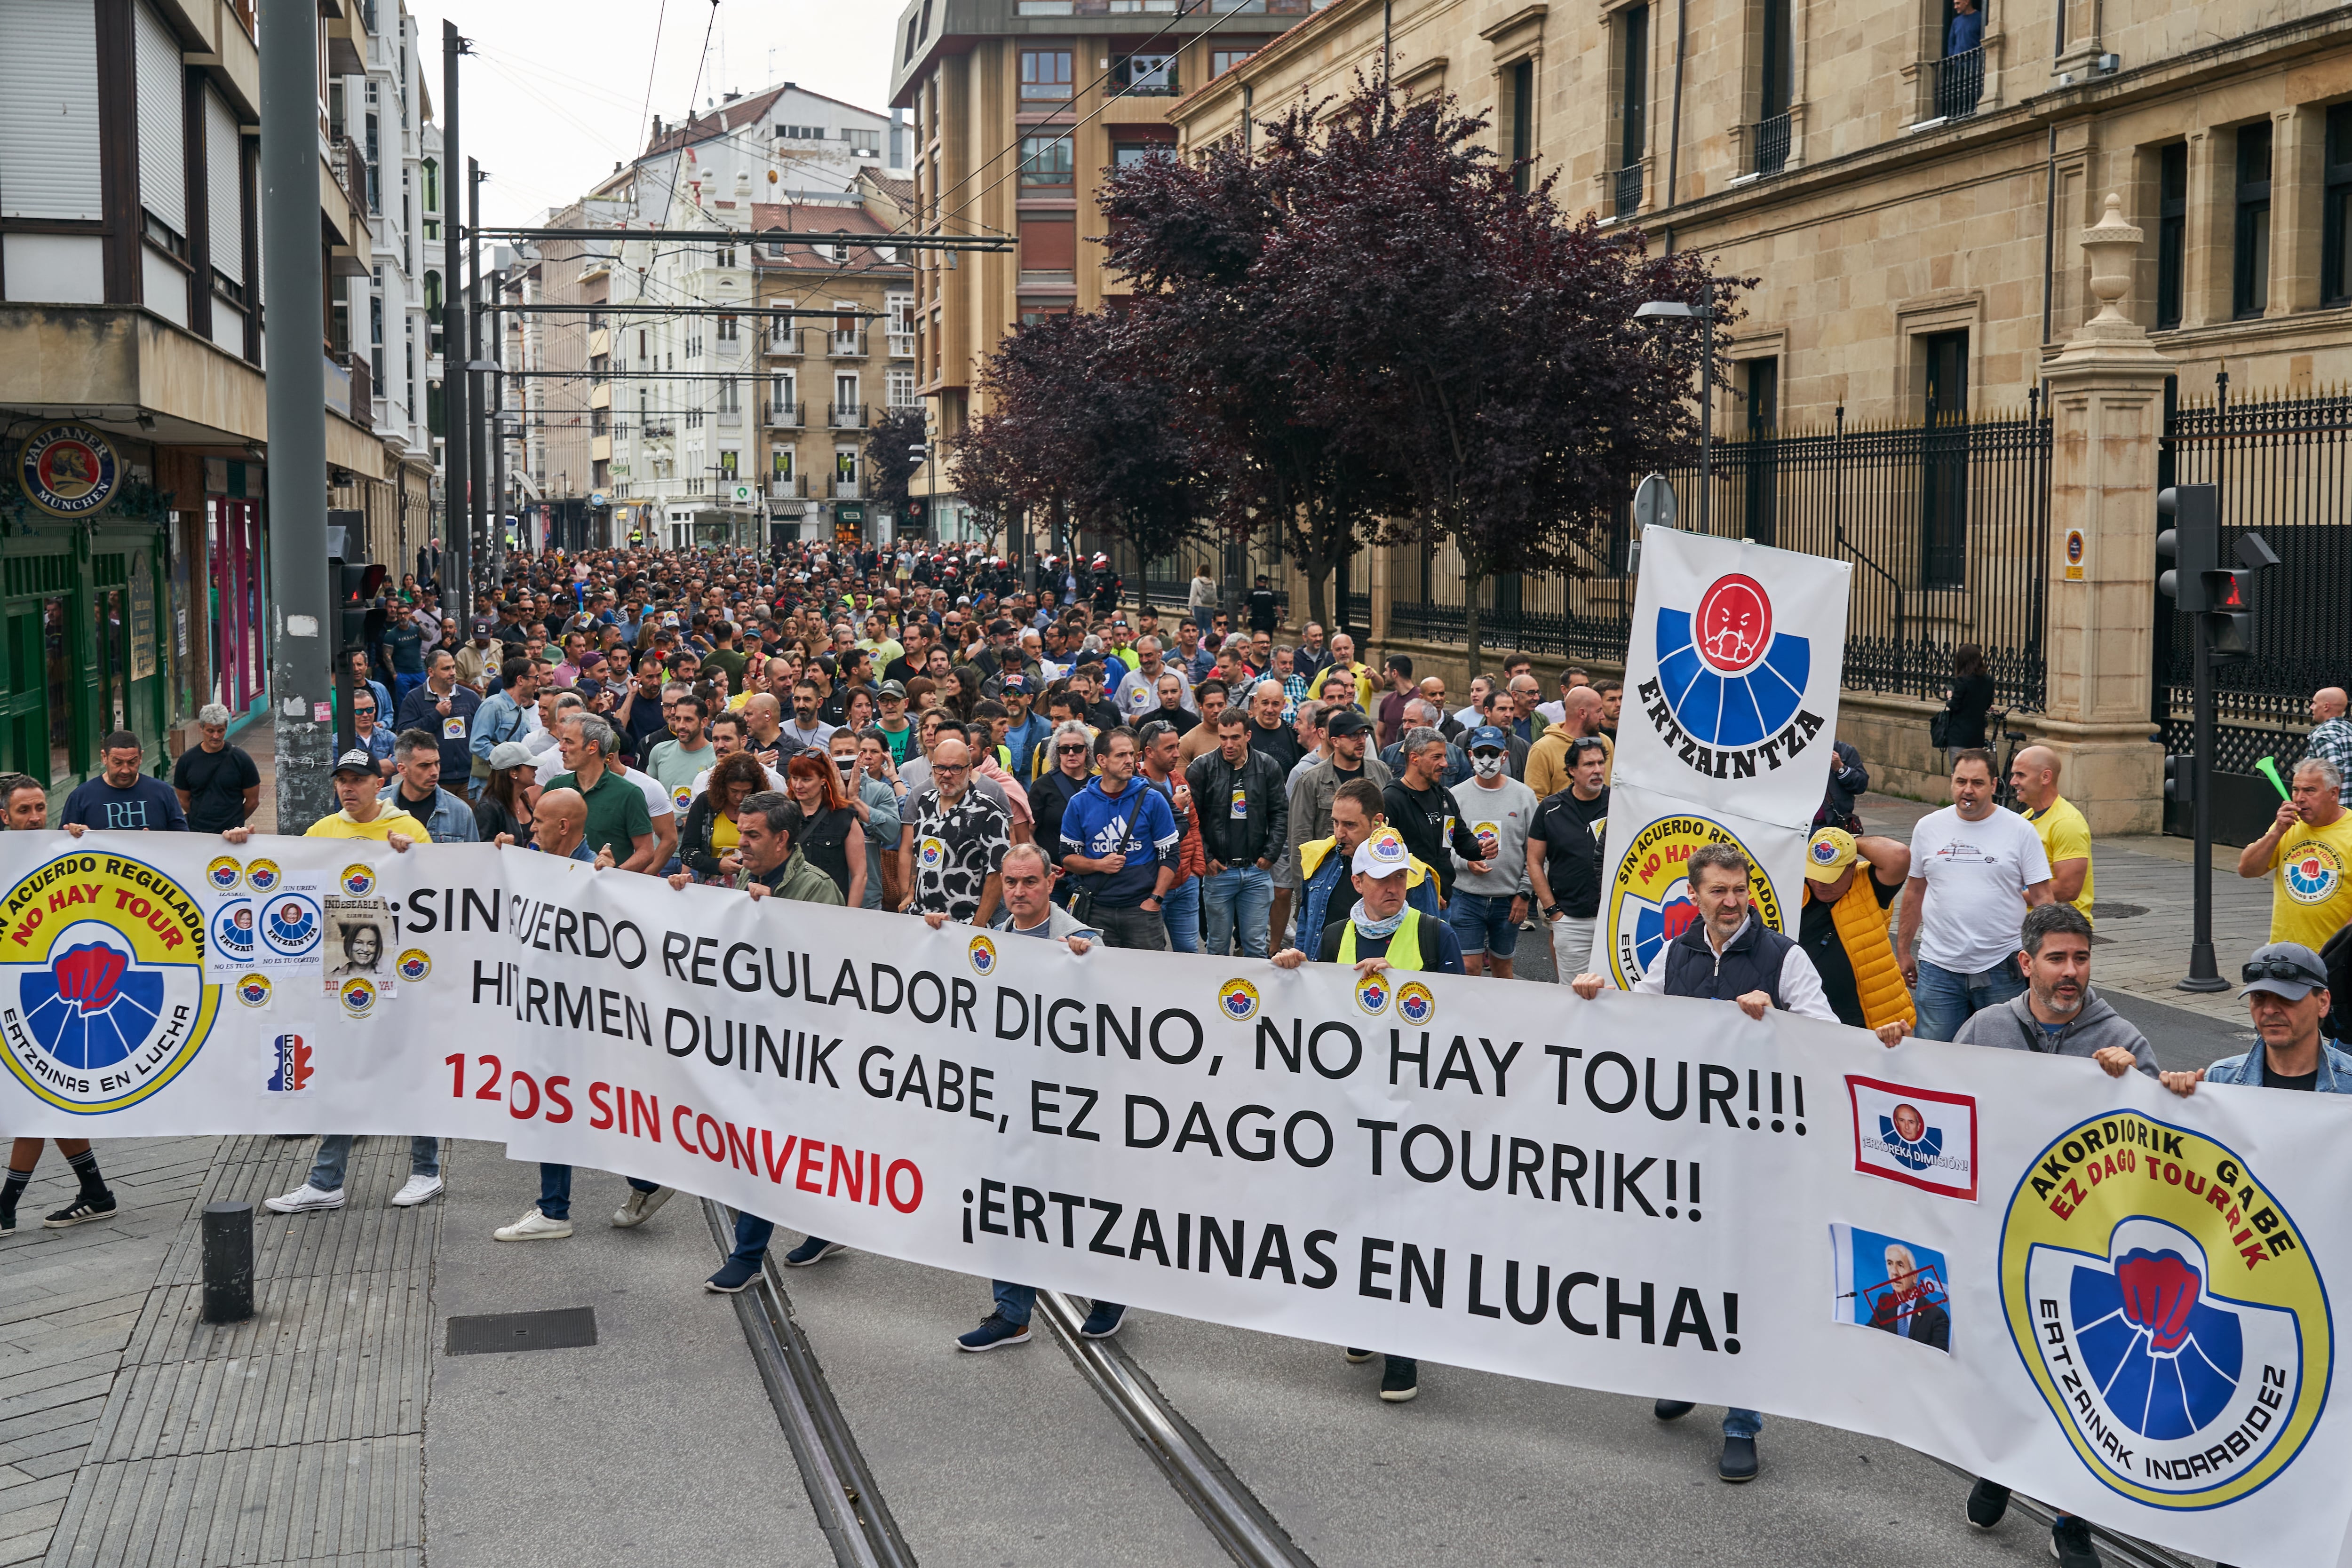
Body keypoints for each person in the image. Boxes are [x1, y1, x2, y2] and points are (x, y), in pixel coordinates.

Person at [1571, 844, 1895, 1483]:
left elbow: (1825, 1035)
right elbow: (1640, 1019)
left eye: (1738, 890)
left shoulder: (1783, 956)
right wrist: (1594, 997)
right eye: (1718, 891)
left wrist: (1774, 1020)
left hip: (1760, 1156)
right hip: (1687, 1148)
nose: (1730, 901)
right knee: (1685, 1269)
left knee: (1747, 1281)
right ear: (1695, 896)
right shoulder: (1678, 952)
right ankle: (1690, 1374)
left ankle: (1742, 1418)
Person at [1950, 902, 2159, 1568]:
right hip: (2003, 1235)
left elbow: (2165, 1148)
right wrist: (1898, 1049)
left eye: (2081, 958)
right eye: (2057, 958)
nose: (2071, 972)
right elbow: (1943, 1105)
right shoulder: (1984, 1027)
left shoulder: (2123, 1035)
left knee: (2082, 1382)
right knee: (2007, 1365)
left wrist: (2146, 1087)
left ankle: (2072, 1514)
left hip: (2086, 1249)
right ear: (2026, 964)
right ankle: (2000, 1465)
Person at [1273, 826, 1466, 1404]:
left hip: (1412, 1109)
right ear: (1356, 881)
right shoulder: (1334, 935)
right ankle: (1362, 1319)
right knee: (1352, 1217)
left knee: (1401, 1227)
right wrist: (1289, 974)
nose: (1393, 887)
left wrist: (1408, 989)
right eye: (1381, 878)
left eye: (1401, 876)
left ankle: (1401, 1348)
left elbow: (1469, 1017)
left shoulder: (1434, 933)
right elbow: (1312, 1009)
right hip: (1349, 1108)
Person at [242, 753, 439, 1214]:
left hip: (397, 972)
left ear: (378, 783)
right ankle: (326, 1181)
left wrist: (414, 861)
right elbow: (283, 878)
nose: (348, 789)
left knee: (409, 1067)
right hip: (341, 973)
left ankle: (426, 1170)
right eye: (342, 782)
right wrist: (242, 846)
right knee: (341, 1068)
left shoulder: (409, 830)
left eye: (357, 781)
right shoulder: (322, 831)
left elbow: (437, 894)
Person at [951, 842, 1130, 1348]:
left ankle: (1108, 1292)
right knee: (1006, 1203)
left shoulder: (1084, 942)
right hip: (1009, 1103)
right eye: (1010, 882)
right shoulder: (992, 944)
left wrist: (1089, 970)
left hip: (1069, 1106)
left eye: (1030, 881)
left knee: (1075, 1204)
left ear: (1051, 883)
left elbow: (1120, 1024)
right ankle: (1012, 1311)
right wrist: (936, 941)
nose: (1019, 891)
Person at [0, 782, 114, 1235]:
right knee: (48, 1100)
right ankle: (96, 1192)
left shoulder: (64, 848)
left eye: (40, 807)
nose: (34, 816)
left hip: (53, 996)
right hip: (15, 992)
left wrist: (82, 844)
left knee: (38, 1100)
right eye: (23, 810)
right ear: (5, 817)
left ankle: (6, 1207)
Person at [1897, 750, 2054, 1041]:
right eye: (1961, 781)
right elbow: (1915, 891)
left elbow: (2044, 896)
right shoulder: (1928, 827)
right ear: (1952, 783)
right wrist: (1904, 949)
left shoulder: (2020, 830)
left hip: (2003, 965)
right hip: (1938, 967)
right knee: (1934, 1056)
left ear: (1994, 785)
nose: (1968, 790)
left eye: (1978, 783)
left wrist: (2044, 957)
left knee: (2004, 1053)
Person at [1291, 778, 1442, 960]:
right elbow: (1305, 928)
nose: (1339, 833)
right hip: (1325, 981)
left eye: (1350, 825)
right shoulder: (1319, 859)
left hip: (1389, 983)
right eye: (1336, 823)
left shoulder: (1413, 874)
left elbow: (1432, 946)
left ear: (1377, 822)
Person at [1058, 727, 1180, 951]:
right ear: (1102, 760)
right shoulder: (1079, 803)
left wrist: (1155, 900)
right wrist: (1099, 865)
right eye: (1121, 755)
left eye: (1132, 755)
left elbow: (1170, 855)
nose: (1130, 761)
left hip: (1141, 910)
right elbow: (1068, 859)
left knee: (1148, 978)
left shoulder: (1153, 799)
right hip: (1097, 909)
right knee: (1102, 980)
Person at [1189, 709, 1290, 958]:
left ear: (1248, 735)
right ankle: (1215, 996)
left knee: (1255, 944)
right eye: (1223, 738)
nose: (1228, 744)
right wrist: (1207, 858)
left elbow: (1280, 813)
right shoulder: (1203, 767)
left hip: (1255, 870)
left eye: (1235, 737)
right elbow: (1192, 820)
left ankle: (1254, 996)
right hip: (1220, 870)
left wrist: (1270, 855)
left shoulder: (1268, 766)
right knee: (1218, 945)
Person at [1796, 827, 1917, 1034]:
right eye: (1815, 875)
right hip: (1809, 1019)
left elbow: (1899, 855)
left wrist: (1842, 842)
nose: (1820, 884)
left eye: (1831, 876)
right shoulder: (1797, 887)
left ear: (1852, 866)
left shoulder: (1868, 884)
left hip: (1873, 1023)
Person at [1447, 726, 1538, 978]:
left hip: (1508, 899)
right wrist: (1467, 863)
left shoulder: (1525, 797)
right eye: (1480, 752)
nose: (1487, 759)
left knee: (1502, 967)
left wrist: (1524, 893)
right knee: (1468, 967)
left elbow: (1536, 853)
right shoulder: (1454, 797)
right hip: (1466, 897)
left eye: (1493, 752)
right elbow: (1445, 847)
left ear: (1505, 756)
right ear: (1470, 755)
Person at [2236, 758, 2352, 947]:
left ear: (2333, 793)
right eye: (2296, 789)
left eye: (2310, 790)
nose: (2299, 798)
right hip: (2283, 952)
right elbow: (2247, 870)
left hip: (2335, 957)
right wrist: (2277, 832)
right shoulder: (2287, 825)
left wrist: (2338, 951)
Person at [1527, 736, 1611, 983]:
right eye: (1588, 765)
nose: (1597, 770)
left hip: (1613, 920)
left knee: (1618, 994)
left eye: (1600, 763)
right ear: (1572, 770)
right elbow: (1534, 861)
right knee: (1575, 997)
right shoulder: (1551, 808)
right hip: (1571, 921)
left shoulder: (1619, 803)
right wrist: (1554, 912)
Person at [903, 735, 1010, 927]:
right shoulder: (925, 803)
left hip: (963, 924)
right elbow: (917, 855)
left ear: (970, 770)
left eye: (956, 768)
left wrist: (977, 925)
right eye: (940, 768)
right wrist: (910, 895)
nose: (946, 774)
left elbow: (997, 874)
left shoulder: (989, 812)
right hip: (921, 921)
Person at [1383, 727, 1489, 907]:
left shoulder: (1444, 797)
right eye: (1437, 757)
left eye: (1445, 757)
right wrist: (1426, 895)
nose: (1445, 764)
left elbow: (1461, 841)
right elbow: (1387, 861)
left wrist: (1481, 847)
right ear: (1414, 758)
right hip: (1409, 906)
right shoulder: (1391, 800)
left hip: (1445, 901)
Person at [547, 713, 658, 872]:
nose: (561, 748)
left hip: (604, 894)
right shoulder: (554, 787)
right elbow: (537, 837)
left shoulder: (629, 794)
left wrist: (611, 874)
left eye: (569, 742)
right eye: (562, 740)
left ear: (593, 747)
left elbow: (646, 852)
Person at [2009, 744, 2092, 920]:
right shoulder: (2024, 819)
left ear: (2045, 777)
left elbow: (2068, 889)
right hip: (2026, 927)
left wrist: (2008, 898)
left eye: (2021, 775)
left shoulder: (2068, 823)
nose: (2013, 782)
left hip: (2061, 932)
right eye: (2013, 775)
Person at [783, 750, 866, 905]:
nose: (798, 786)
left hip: (830, 906)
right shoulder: (783, 815)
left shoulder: (845, 818)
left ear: (823, 780)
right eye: (794, 778)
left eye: (806, 779)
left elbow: (859, 875)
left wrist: (850, 915)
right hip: (789, 905)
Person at [394, 648, 482, 787]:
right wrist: (436, 716)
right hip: (433, 779)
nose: (453, 672)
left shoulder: (470, 697)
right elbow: (404, 734)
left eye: (454, 667)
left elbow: (483, 731)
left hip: (469, 779)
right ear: (431, 672)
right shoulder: (414, 698)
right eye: (446, 669)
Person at [62, 732, 185, 831]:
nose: (125, 770)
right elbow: (64, 847)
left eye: (132, 762)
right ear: (105, 758)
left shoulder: (163, 793)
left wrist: (155, 842)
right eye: (118, 763)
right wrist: (79, 836)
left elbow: (183, 840)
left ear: (141, 757)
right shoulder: (81, 797)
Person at [171, 704, 261, 833]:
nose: (216, 736)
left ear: (226, 728)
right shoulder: (186, 761)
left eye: (221, 731)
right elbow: (183, 799)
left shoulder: (242, 760)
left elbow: (253, 801)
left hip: (232, 833)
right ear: (201, 728)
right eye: (211, 731)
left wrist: (235, 821)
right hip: (198, 832)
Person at [382, 729, 481, 844]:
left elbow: (473, 860)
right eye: (424, 765)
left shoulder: (460, 812)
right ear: (402, 769)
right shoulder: (379, 803)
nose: (434, 772)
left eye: (437, 763)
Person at [1524, 686, 1612, 801]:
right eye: (1599, 711)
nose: (1603, 717)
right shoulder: (1543, 749)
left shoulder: (1605, 742)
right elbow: (1535, 800)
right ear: (1582, 714)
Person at [469, 657, 540, 797]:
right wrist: (508, 763)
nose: (538, 684)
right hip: (490, 785)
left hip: (512, 786)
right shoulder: (492, 706)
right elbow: (477, 744)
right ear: (520, 680)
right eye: (535, 678)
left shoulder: (523, 713)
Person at [1870, 1243, 1950, 1352]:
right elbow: (1869, 1337)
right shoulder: (1884, 1302)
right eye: (1890, 1264)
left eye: (1901, 1265)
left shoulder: (1937, 1316)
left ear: (1915, 1277)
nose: (1894, 1273)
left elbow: (1939, 1360)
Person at [644, 693, 716, 801]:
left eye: (689, 720)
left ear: (703, 723)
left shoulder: (717, 757)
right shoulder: (659, 752)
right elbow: (647, 794)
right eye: (678, 719)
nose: (682, 725)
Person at [473, 741, 541, 846]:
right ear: (513, 772)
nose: (536, 769)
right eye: (530, 765)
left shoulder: (524, 798)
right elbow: (483, 853)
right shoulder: (487, 808)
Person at [1941, 643, 1994, 751]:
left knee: (1958, 767)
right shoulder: (1988, 680)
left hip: (1959, 735)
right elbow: (1988, 704)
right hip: (1977, 735)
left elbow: (1955, 706)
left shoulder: (1963, 680)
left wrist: (1950, 698)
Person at [2305, 686, 2352, 806]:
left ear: (2326, 706)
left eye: (2315, 703)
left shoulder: (2324, 735)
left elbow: (2335, 774)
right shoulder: (2349, 730)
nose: (2311, 707)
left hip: (2337, 812)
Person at [1375, 655, 1415, 749]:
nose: (1384, 674)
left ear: (1394, 673)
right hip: (1388, 760)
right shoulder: (1387, 700)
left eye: (1386, 670)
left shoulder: (1421, 700)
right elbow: (1379, 735)